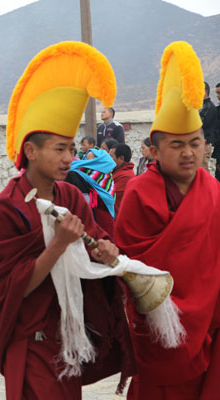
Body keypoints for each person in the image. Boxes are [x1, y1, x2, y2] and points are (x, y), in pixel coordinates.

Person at [0, 42, 135, 399]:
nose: (69, 158)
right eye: (59, 149)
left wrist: (106, 252)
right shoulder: (6, 210)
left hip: (68, 334)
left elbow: (92, 243)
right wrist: (60, 244)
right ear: (30, 151)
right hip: (31, 339)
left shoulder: (70, 196)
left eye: (71, 149)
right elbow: (13, 286)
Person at [116, 41, 220, 400]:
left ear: (206, 144)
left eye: (195, 142)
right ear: (156, 152)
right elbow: (132, 268)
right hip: (160, 325)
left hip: (211, 320)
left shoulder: (214, 191)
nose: (189, 152)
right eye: (177, 145)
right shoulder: (139, 194)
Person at [66, 148, 116, 238]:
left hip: (103, 216)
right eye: (86, 159)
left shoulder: (105, 176)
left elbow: (109, 197)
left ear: (99, 161)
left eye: (92, 159)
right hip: (91, 216)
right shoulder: (77, 173)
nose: (87, 162)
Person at [109, 143, 135, 216]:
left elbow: (110, 195)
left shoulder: (126, 176)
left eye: (111, 156)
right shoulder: (116, 171)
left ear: (121, 158)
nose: (108, 159)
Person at [200, 82, 218, 173]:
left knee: (202, 171)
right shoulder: (201, 107)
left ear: (205, 92)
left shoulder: (208, 107)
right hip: (199, 144)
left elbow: (200, 124)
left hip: (204, 145)